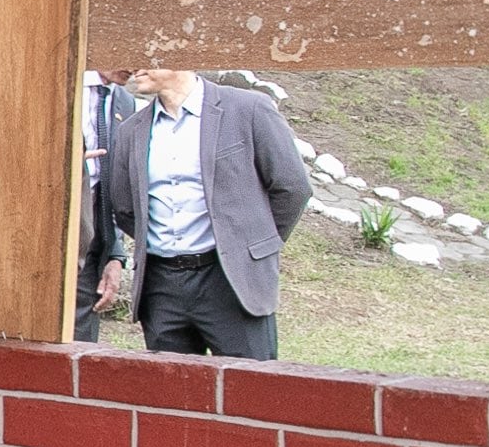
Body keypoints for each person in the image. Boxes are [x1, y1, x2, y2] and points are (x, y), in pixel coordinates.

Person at [107, 68, 312, 359]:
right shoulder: (131, 129)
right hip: (162, 286)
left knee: (251, 392)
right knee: (172, 395)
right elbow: (125, 207)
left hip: (231, 282)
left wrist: (251, 246)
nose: (136, 67)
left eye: (149, 58)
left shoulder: (249, 108)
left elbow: (292, 188)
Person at [74, 69, 138, 342]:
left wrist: (115, 254)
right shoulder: (56, 80)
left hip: (92, 245)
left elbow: (115, 185)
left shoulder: (125, 101)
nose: (136, 67)